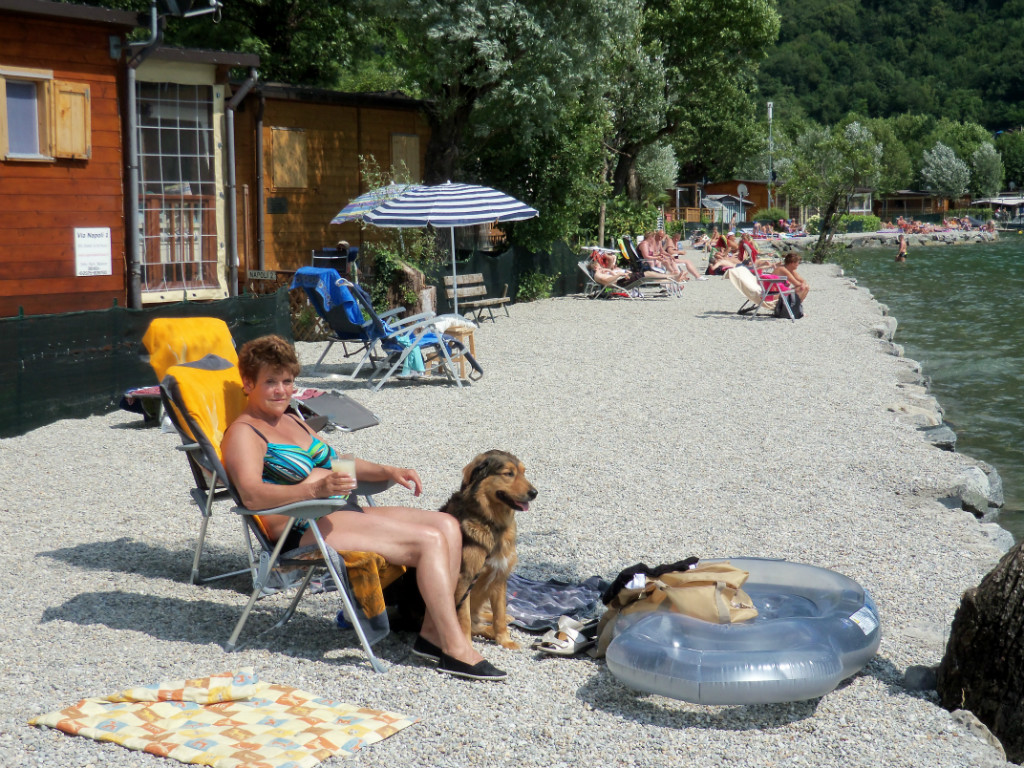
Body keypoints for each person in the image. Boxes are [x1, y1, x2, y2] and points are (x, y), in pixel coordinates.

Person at [221, 335, 507, 681]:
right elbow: (251, 495)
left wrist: (389, 471)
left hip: (337, 511)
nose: (281, 390)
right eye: (271, 382)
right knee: (428, 541)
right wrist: (314, 489)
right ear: (248, 383)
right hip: (301, 527)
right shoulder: (244, 433)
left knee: (446, 525)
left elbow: (337, 463)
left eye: (287, 381)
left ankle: (432, 634)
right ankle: (455, 646)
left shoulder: (291, 419)